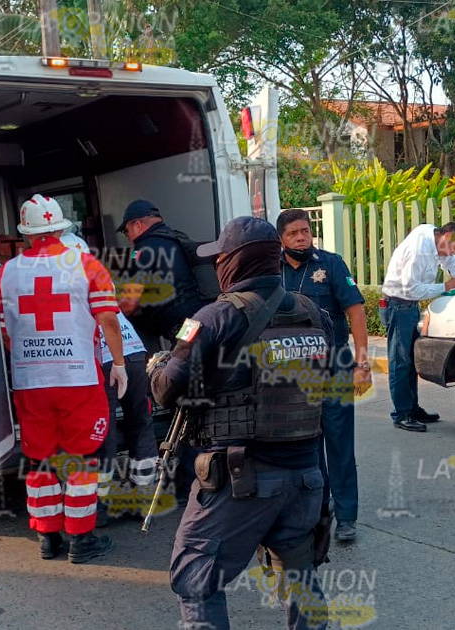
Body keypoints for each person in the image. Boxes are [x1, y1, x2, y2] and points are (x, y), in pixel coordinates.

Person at [151, 217, 332, 630]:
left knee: (197, 578)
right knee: (299, 578)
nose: (216, 266)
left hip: (240, 480)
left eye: (220, 258)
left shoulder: (211, 318)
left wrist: (157, 367)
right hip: (306, 477)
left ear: (233, 262)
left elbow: (166, 390)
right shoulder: (313, 313)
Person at [0, 194, 126, 563]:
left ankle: (47, 537)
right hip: (77, 378)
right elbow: (108, 319)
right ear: (60, 229)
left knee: (40, 459)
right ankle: (81, 540)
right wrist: (118, 364)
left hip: (29, 382)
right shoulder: (86, 265)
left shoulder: (7, 272)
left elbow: (6, 331)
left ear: (26, 233)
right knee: (81, 458)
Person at [276, 209, 370, 542]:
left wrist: (362, 364)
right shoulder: (274, 270)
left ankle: (346, 517)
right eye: (293, 233)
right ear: (281, 239)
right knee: (307, 444)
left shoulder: (330, 264)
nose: (301, 237)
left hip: (335, 365)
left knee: (339, 443)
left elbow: (356, 311)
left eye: (305, 231)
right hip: (295, 370)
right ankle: (317, 510)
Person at [380, 221, 455, 432]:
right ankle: (402, 414)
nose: (454, 253)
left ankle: (412, 409)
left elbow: (451, 262)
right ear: (446, 236)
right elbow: (410, 289)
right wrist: (445, 286)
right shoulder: (419, 250)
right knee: (400, 362)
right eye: (454, 247)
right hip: (398, 305)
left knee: (410, 361)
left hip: (408, 306)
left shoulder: (436, 240)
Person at [116, 199, 213, 347]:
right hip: (210, 317)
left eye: (126, 231)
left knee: (182, 358)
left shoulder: (140, 251)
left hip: (188, 327)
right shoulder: (176, 238)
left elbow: (129, 305)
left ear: (138, 225)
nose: (127, 237)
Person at [94, 312, 160, 525]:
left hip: (104, 358)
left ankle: (99, 506)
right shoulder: (104, 289)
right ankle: (144, 500)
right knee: (141, 424)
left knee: (103, 429)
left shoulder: (71, 291)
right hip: (134, 350)